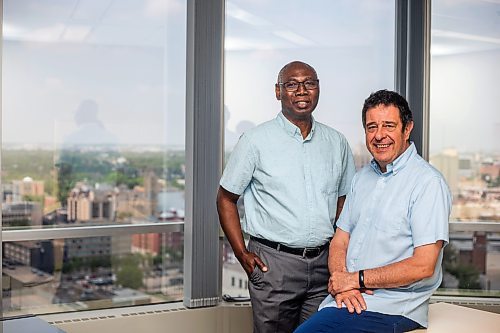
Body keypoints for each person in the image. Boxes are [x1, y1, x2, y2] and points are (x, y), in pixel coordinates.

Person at [294, 90, 451, 333]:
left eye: (389, 125)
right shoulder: (361, 178)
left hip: (393, 307)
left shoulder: (428, 183)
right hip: (345, 299)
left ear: (407, 128)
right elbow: (340, 240)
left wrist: (356, 280)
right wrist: (342, 280)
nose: (379, 135)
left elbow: (424, 265)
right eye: (371, 127)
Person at [216, 61, 355, 332]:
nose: (302, 90)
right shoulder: (255, 141)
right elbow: (225, 198)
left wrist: (342, 256)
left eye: (309, 83)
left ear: (318, 89)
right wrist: (242, 254)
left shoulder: (337, 142)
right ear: (278, 92)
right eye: (292, 84)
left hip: (325, 265)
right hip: (274, 266)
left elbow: (344, 202)